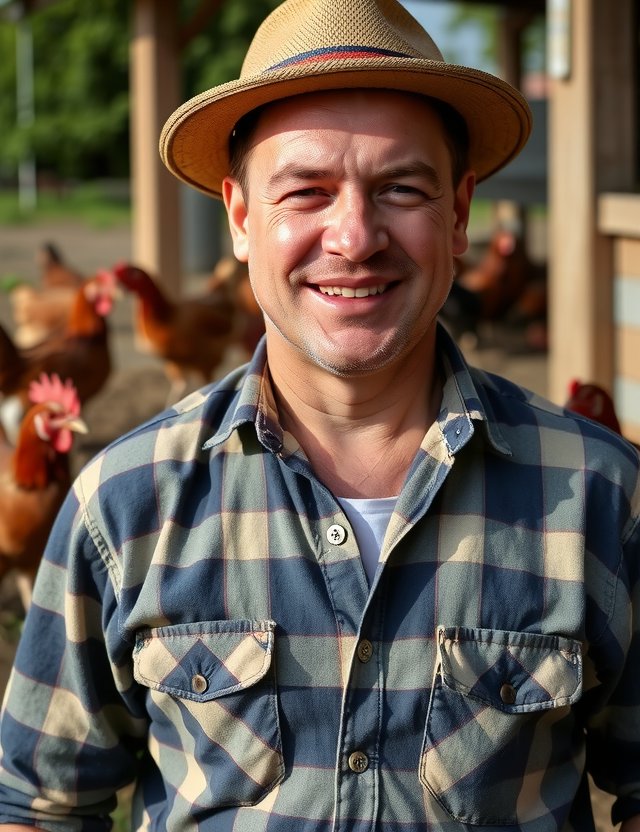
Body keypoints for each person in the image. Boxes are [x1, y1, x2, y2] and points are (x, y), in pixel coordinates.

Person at [0, 0, 639, 829]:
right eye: (306, 191)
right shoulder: (124, 505)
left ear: (458, 213)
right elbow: (40, 801)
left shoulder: (602, 496)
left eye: (400, 188)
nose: (354, 236)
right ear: (240, 217)